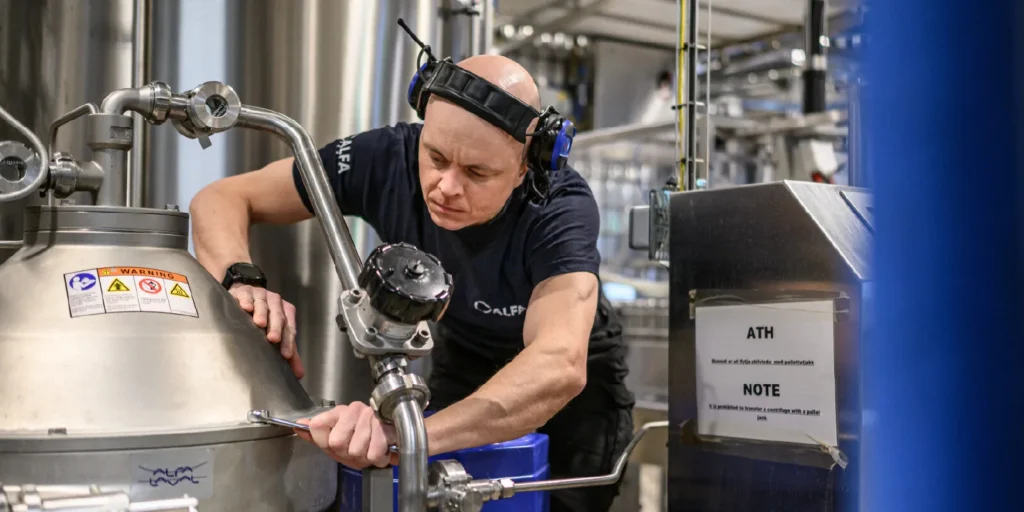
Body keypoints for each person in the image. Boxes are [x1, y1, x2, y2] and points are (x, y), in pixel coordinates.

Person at [189, 54, 634, 512]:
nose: (446, 186)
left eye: (477, 173)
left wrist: (405, 437)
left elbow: (559, 363)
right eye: (436, 157)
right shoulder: (386, 159)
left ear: (525, 167)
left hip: (575, 400)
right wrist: (241, 281)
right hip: (466, 360)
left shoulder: (560, 207)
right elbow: (221, 198)